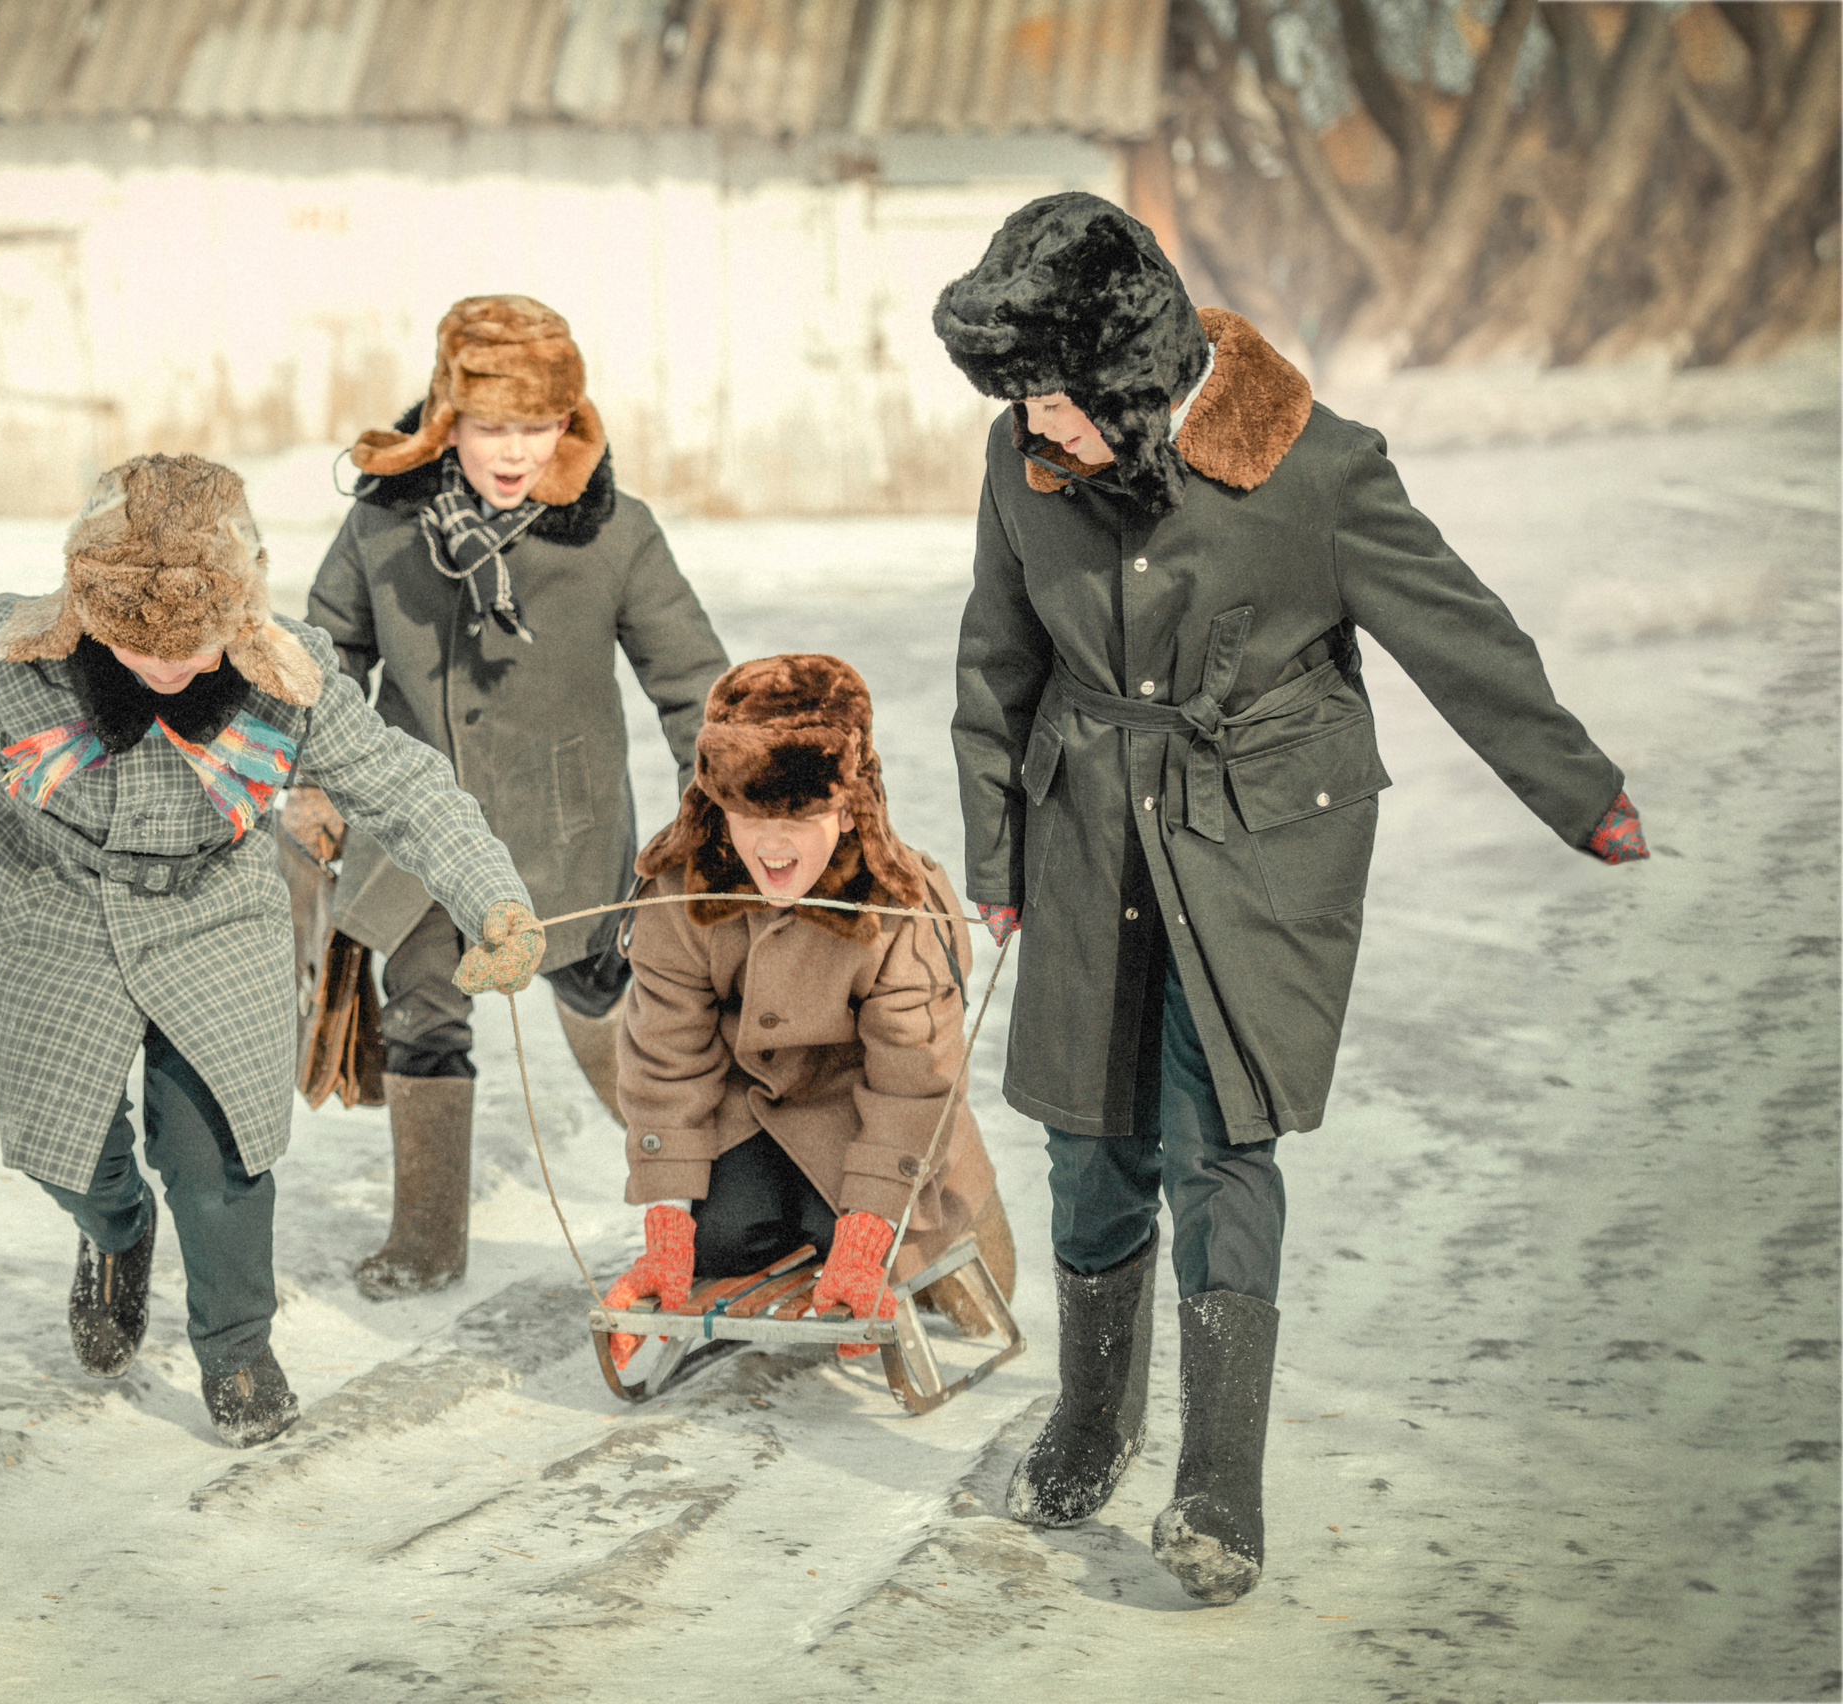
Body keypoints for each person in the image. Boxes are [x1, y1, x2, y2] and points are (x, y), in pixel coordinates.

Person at [932, 192, 1649, 1604]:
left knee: (1217, 1142)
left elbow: (1455, 626)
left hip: (1256, 836)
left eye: (1053, 400)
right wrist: (999, 858)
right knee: (1087, 1135)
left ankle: (1218, 1482)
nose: (1031, 431)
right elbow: (992, 661)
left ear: (1130, 381)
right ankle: (1091, 1416)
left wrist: (1581, 790)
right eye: (1014, 402)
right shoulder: (1022, 468)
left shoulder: (1313, 472)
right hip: (1087, 830)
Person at [0, 453, 545, 1448]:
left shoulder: (290, 678)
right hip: (50, 900)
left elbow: (404, 788)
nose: (170, 672)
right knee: (65, 1146)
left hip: (213, 903)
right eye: (144, 651)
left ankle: (237, 1351)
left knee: (219, 1151)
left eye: (194, 650)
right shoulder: (6, 659)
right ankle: (115, 1233)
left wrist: (493, 897)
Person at [291, 294, 730, 1301]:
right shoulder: (381, 528)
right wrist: (312, 779)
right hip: (414, 837)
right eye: (492, 426)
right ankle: (424, 1236)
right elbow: (322, 657)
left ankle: (709, 1203)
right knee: (422, 1016)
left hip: (568, 837)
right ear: (447, 421)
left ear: (569, 424)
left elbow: (693, 684)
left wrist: (719, 810)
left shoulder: (615, 534)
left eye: (537, 426)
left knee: (607, 1006)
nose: (513, 450)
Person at [604, 654, 1016, 1370]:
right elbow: (665, 1058)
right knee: (720, 1241)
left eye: (799, 818)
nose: (771, 844)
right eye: (749, 816)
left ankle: (940, 1213)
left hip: (864, 1114)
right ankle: (775, 1234)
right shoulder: (680, 892)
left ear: (849, 804)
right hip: (749, 1110)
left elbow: (912, 1076)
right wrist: (669, 1225)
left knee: (886, 1243)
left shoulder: (897, 900)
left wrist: (865, 1239)